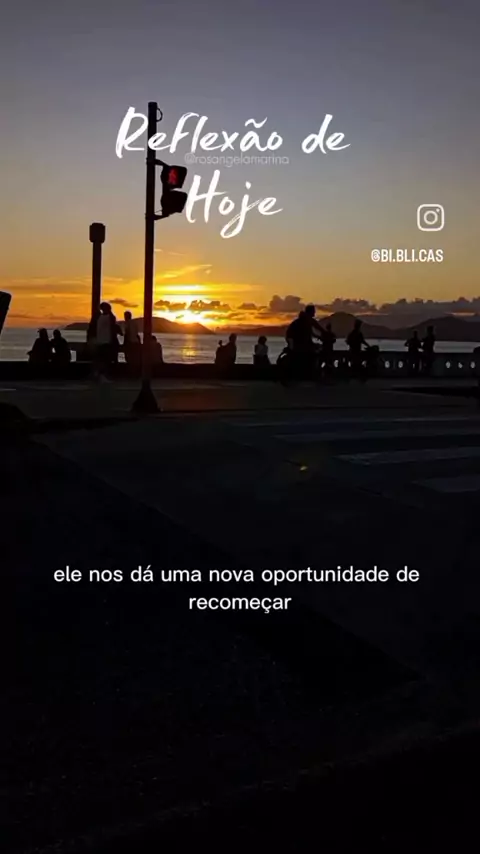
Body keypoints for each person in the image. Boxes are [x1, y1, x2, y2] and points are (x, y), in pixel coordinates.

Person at [285, 304, 323, 378]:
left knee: (314, 349)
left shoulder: (306, 320)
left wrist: (319, 336)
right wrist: (324, 334)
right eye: (313, 311)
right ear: (310, 312)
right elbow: (317, 328)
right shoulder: (306, 320)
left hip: (298, 341)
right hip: (297, 342)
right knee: (313, 351)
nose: (314, 313)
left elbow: (312, 331)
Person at [87, 302, 121, 380]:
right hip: (102, 341)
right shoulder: (101, 317)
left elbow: (112, 328)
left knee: (104, 359)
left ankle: (102, 374)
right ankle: (101, 374)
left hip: (106, 341)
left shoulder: (109, 317)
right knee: (103, 359)